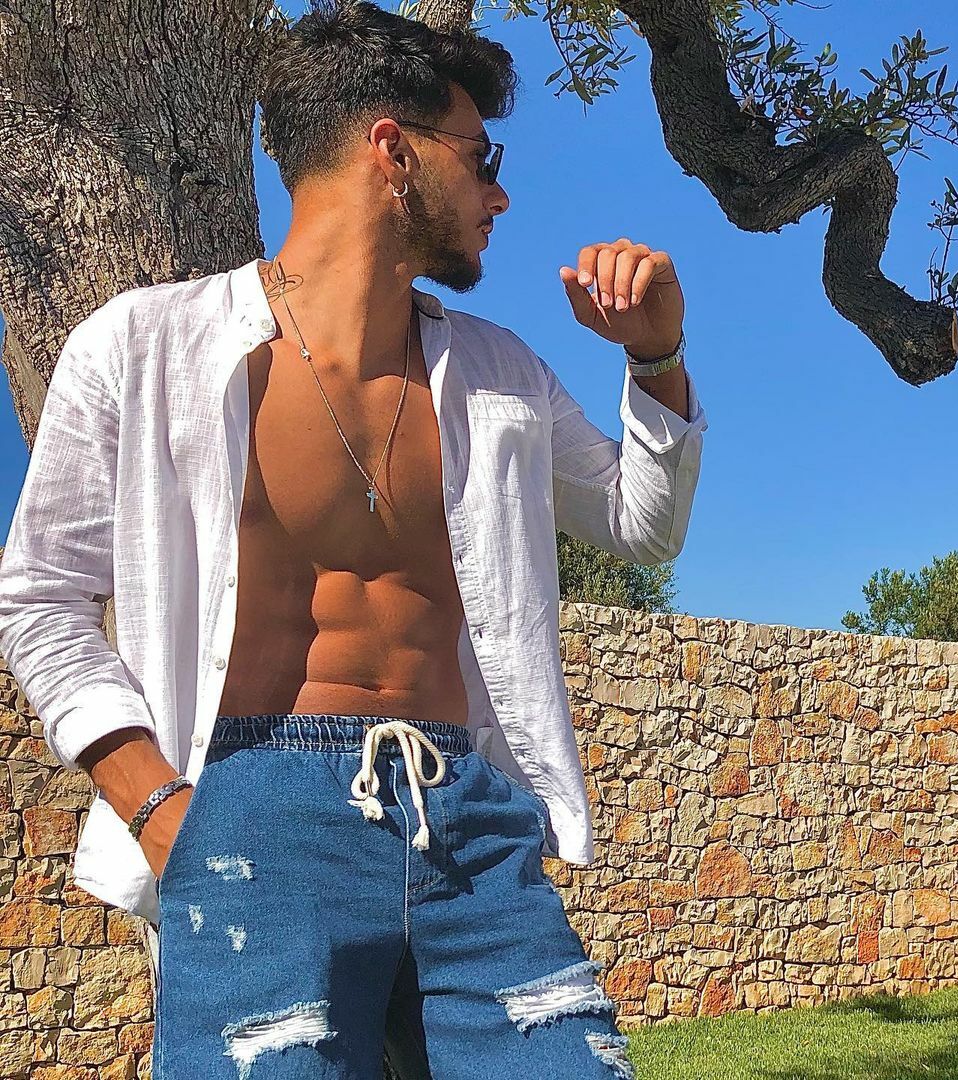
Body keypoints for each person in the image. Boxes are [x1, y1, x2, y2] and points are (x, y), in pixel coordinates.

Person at [0, 1, 708, 1076]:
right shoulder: (146, 348)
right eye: (481, 157)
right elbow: (40, 596)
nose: (499, 194)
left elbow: (640, 525)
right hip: (252, 808)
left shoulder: (501, 373)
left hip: (466, 817)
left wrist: (656, 361)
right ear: (392, 150)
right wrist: (157, 805)